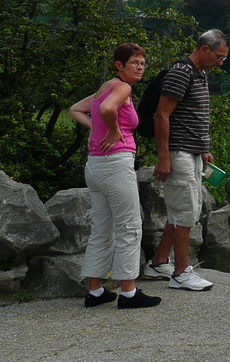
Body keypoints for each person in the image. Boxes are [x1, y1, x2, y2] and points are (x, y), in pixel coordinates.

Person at [68, 43, 162, 309]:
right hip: (116, 164)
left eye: (143, 63)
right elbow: (108, 109)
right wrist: (111, 131)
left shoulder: (105, 86)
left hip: (95, 166)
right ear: (119, 65)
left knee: (102, 227)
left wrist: (96, 130)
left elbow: (75, 109)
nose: (140, 67)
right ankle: (129, 292)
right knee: (129, 226)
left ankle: (96, 291)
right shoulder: (122, 88)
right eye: (134, 62)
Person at [145, 29, 230, 291]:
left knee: (183, 208)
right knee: (185, 212)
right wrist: (163, 158)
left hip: (191, 152)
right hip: (178, 152)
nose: (221, 62)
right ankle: (181, 272)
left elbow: (192, 115)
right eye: (219, 56)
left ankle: (159, 261)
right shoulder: (182, 73)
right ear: (204, 49)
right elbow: (161, 116)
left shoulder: (199, 74)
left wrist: (203, 149)